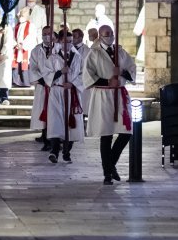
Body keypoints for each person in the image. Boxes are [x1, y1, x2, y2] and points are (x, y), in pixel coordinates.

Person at [84, 24, 136, 185]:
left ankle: (110, 163)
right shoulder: (94, 53)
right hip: (103, 95)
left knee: (126, 132)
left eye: (112, 33)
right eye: (107, 34)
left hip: (119, 95)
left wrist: (121, 72)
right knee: (106, 134)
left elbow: (132, 69)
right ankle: (107, 173)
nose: (110, 36)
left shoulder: (120, 52)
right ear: (100, 36)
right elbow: (87, 76)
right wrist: (107, 80)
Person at [46, 29, 85, 164]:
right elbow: (47, 74)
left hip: (71, 92)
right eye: (64, 42)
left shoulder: (78, 57)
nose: (67, 44)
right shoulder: (53, 57)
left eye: (69, 42)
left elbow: (82, 74)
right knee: (56, 123)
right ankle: (54, 151)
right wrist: (59, 72)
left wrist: (73, 84)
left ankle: (67, 151)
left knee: (72, 123)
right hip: (57, 92)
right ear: (59, 41)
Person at [28, 25, 55, 151]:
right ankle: (45, 138)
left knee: (55, 113)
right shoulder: (36, 50)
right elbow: (33, 67)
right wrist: (43, 80)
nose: (46, 36)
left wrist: (52, 79)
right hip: (42, 86)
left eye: (49, 33)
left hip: (55, 86)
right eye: (44, 34)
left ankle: (55, 140)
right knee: (43, 112)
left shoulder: (58, 49)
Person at [12, 6, 37, 87]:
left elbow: (31, 37)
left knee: (25, 64)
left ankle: (26, 82)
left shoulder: (31, 26)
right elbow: (13, 37)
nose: (20, 17)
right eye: (20, 16)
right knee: (16, 64)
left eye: (22, 16)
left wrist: (22, 45)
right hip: (17, 48)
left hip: (25, 49)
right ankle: (16, 81)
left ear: (27, 16)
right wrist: (15, 44)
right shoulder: (17, 26)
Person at [72, 28, 90, 114]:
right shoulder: (68, 48)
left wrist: (75, 80)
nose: (72, 38)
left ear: (81, 38)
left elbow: (86, 68)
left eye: (74, 36)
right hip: (69, 81)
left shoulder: (87, 50)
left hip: (81, 82)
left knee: (81, 106)